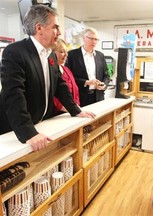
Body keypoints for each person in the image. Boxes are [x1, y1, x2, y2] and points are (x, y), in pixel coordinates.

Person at [0, 4, 95, 151]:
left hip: (40, 123)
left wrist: (76, 110)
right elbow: (13, 94)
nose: (59, 32)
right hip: (14, 131)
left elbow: (60, 85)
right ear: (39, 28)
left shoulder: (50, 53)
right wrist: (28, 133)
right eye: (55, 27)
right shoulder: (15, 52)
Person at [66, 27, 110, 107]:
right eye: (91, 38)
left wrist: (104, 85)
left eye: (96, 39)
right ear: (84, 38)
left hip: (98, 97)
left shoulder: (100, 55)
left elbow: (106, 75)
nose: (94, 42)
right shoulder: (72, 55)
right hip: (80, 97)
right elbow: (68, 78)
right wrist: (86, 82)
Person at [52, 38, 80, 115]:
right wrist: (63, 107)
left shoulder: (66, 69)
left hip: (71, 111)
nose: (66, 55)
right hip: (56, 113)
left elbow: (75, 90)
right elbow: (50, 94)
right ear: (51, 53)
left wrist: (75, 106)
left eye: (66, 52)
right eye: (61, 52)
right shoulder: (49, 71)